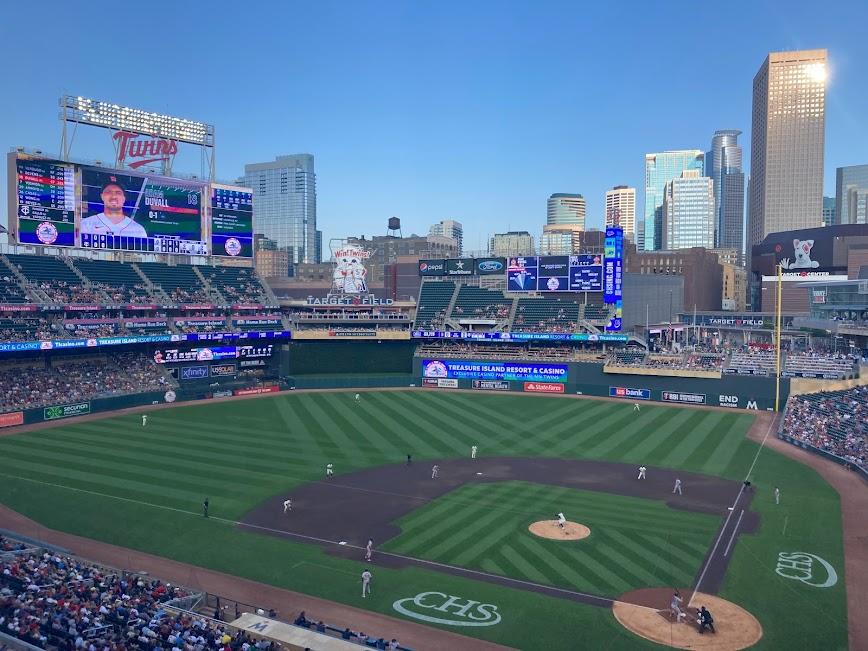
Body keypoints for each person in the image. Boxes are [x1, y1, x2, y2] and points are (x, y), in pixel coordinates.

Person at [80, 178, 148, 238]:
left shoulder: (138, 229)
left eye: (118, 193)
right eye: (108, 192)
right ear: (102, 196)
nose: (113, 197)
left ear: (124, 198)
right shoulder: (87, 224)